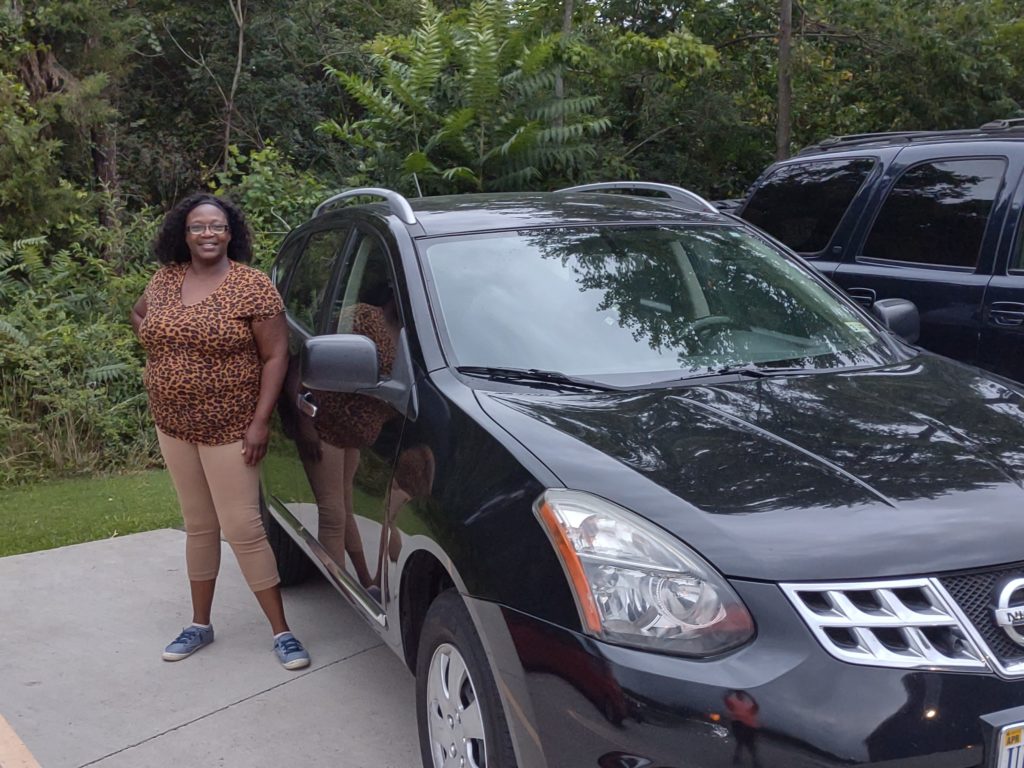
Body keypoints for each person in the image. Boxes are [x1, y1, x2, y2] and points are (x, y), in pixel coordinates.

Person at [131, 192, 310, 670]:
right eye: (197, 227)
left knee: (243, 528)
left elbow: (276, 356)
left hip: (231, 427)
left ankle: (282, 632)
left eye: (216, 226)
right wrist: (164, 355)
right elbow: (139, 314)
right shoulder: (166, 279)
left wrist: (259, 422)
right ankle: (199, 624)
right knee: (198, 524)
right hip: (173, 424)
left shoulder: (252, 286)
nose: (207, 234)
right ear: (183, 235)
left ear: (231, 233)